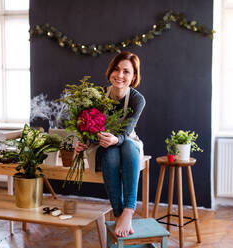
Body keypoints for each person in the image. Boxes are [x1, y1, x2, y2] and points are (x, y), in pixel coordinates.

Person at [75, 51, 146, 237]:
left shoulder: (137, 99)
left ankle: (127, 211)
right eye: (116, 69)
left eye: (126, 71)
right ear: (110, 71)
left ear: (134, 76)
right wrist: (84, 141)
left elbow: (127, 130)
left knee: (128, 146)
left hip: (127, 141)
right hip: (102, 146)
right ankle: (118, 213)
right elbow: (89, 127)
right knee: (111, 153)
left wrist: (116, 139)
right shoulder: (99, 95)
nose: (120, 75)